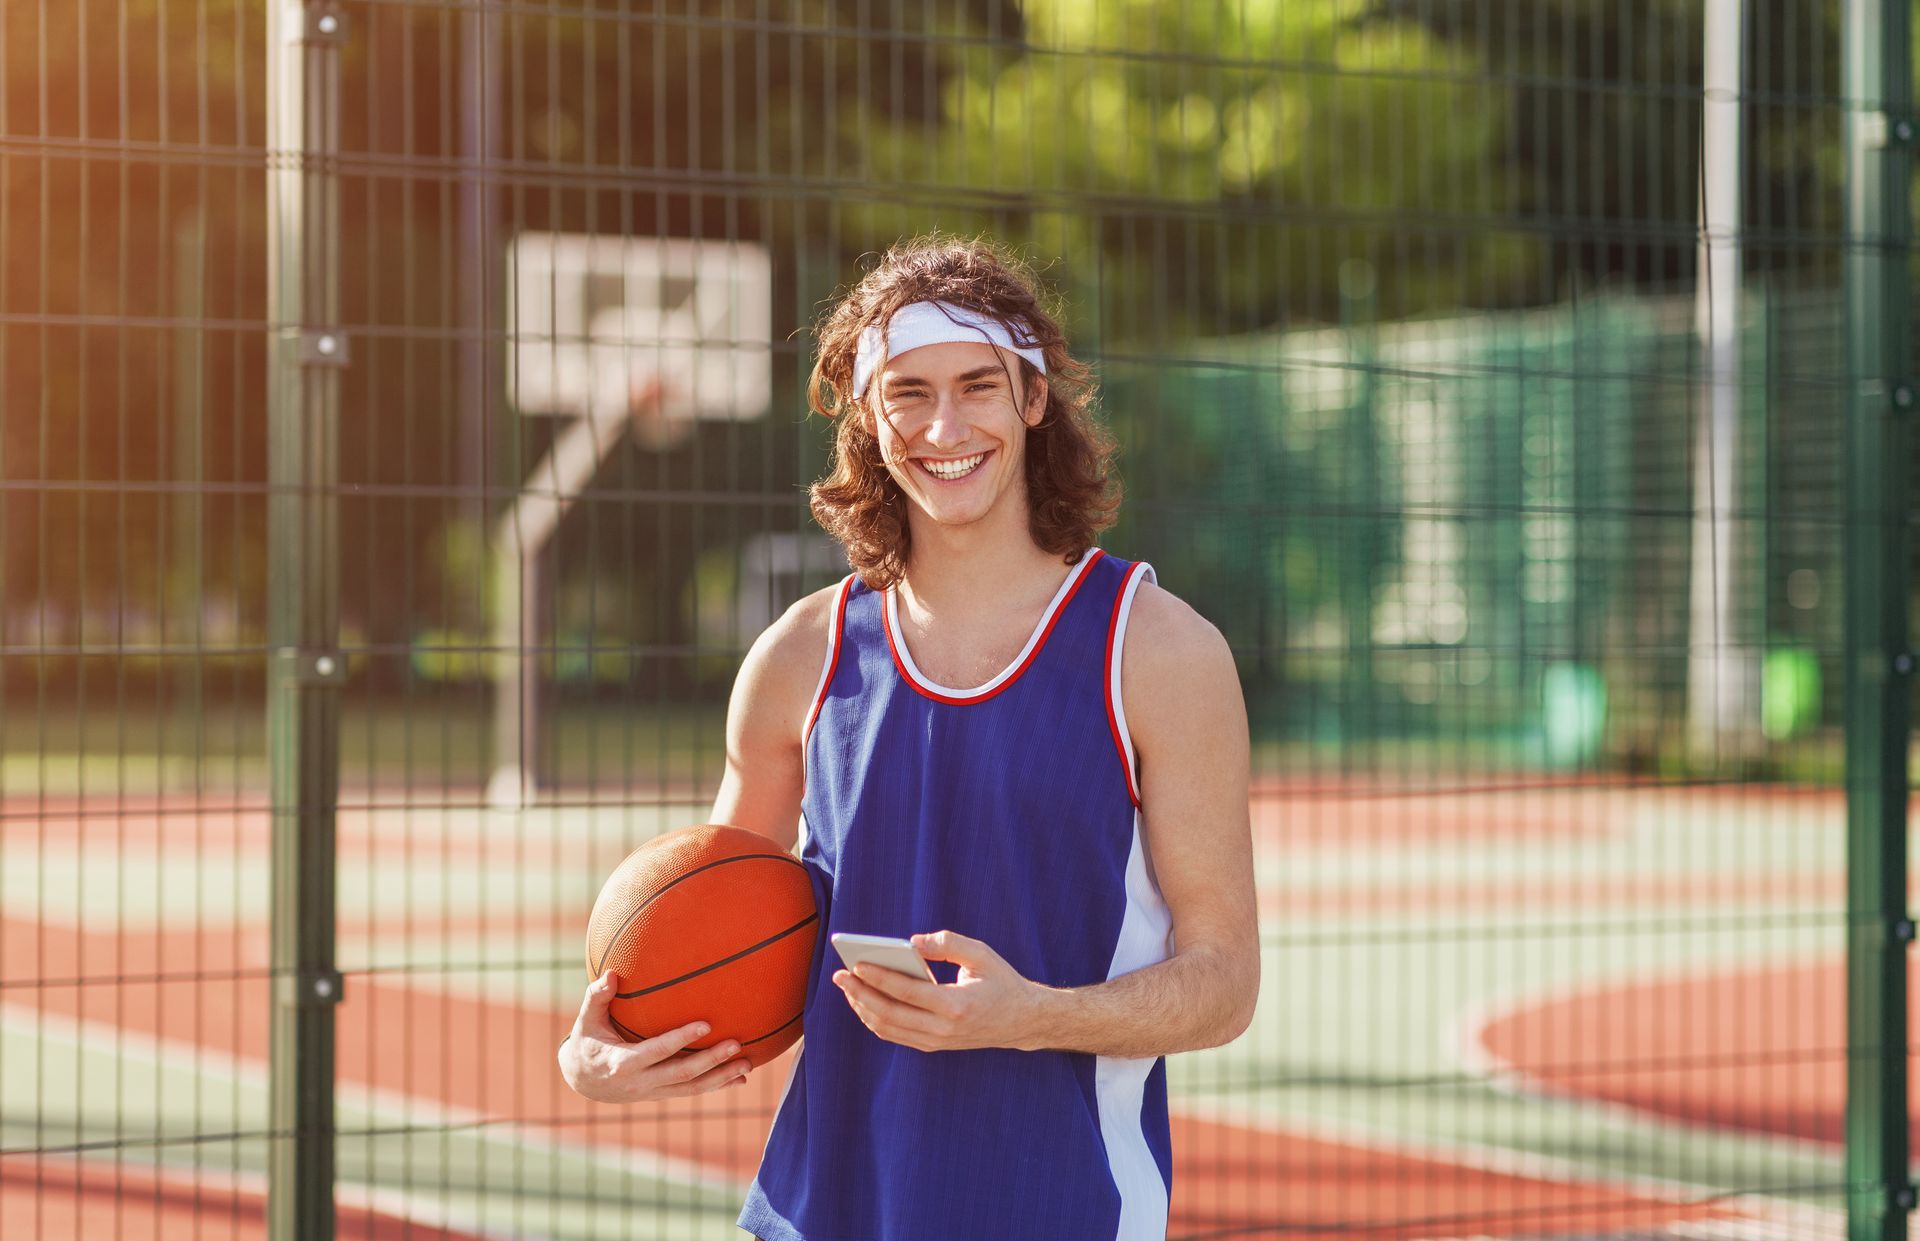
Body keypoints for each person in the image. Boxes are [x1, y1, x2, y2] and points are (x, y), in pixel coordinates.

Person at [560, 236, 1259, 1240]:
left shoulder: (1155, 652)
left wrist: (1036, 1015)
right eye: (908, 392)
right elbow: (713, 932)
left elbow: (1225, 981)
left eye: (978, 385)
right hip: (817, 1209)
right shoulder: (798, 658)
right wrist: (602, 1047)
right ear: (869, 416)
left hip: (1058, 1208)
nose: (944, 425)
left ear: (1031, 399)